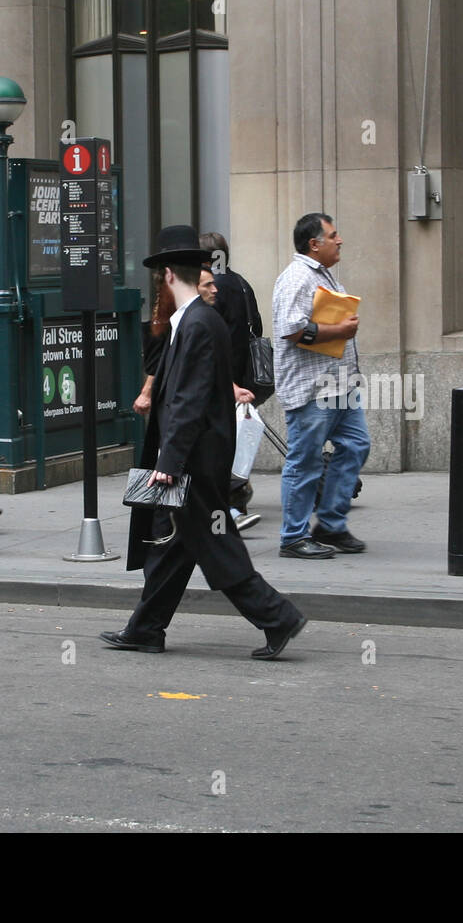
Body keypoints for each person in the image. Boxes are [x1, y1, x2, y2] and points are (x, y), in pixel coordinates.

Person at [101, 225, 307, 659]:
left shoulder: (195, 323)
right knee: (172, 545)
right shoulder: (196, 320)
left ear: (168, 275)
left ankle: (278, 616)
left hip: (192, 464)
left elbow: (189, 401)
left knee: (215, 543)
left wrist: (170, 461)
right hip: (197, 460)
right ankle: (146, 629)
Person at [272, 213, 371, 559]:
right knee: (305, 461)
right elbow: (292, 329)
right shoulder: (297, 278)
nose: (340, 240)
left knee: (356, 445)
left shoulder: (322, 274)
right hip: (312, 390)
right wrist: (340, 331)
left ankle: (329, 523)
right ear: (314, 244)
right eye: (333, 235)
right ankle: (293, 537)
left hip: (339, 385)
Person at [133, 265, 261, 531]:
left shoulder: (200, 322)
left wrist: (169, 460)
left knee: (192, 533)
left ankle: (228, 516)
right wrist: (147, 393)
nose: (216, 290)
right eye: (208, 285)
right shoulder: (177, 321)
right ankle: (225, 519)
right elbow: (161, 370)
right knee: (182, 537)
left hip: (190, 446)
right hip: (181, 443)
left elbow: (193, 390)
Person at [200, 231, 265, 530]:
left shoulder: (212, 288)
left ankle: (227, 505)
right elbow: (258, 326)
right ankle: (233, 500)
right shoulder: (240, 282)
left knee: (218, 442)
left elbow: (208, 334)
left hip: (223, 376)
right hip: (244, 372)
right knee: (231, 439)